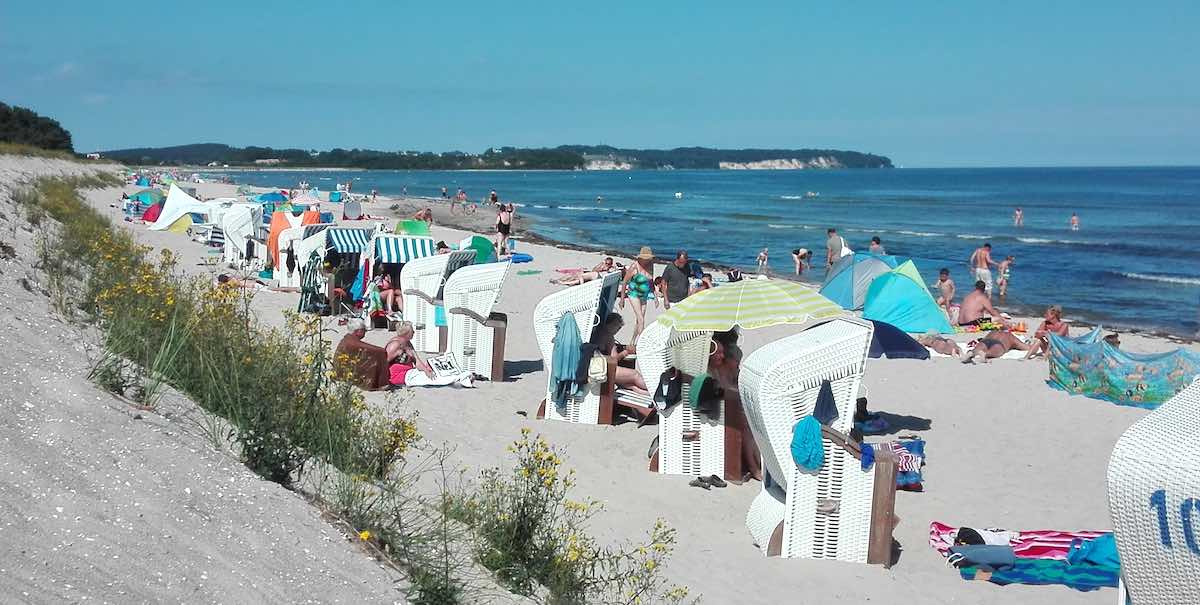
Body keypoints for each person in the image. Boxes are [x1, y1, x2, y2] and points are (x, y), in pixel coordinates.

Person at [707, 332, 762, 482]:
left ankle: (758, 463)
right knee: (747, 426)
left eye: (722, 353)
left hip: (726, 407)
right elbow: (722, 392)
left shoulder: (723, 369)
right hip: (716, 412)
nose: (721, 356)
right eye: (718, 353)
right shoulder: (711, 371)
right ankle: (754, 466)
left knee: (752, 423)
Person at [385, 322, 475, 388]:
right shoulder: (394, 345)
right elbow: (383, 362)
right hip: (399, 376)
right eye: (412, 331)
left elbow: (417, 362)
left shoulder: (407, 343)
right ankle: (462, 377)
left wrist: (426, 370)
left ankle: (463, 376)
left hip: (409, 372)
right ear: (407, 333)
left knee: (433, 372)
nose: (414, 333)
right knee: (433, 378)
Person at [596, 314, 648, 395]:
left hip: (597, 368)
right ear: (612, 324)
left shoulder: (598, 331)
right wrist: (624, 353)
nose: (618, 330)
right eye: (618, 327)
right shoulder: (609, 336)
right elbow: (614, 360)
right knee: (635, 375)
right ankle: (655, 389)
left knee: (632, 385)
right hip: (605, 370)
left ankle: (653, 395)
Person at [334, 318, 390, 390]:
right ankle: (379, 384)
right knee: (379, 354)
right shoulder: (352, 343)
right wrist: (382, 352)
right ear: (358, 331)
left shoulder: (348, 339)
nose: (365, 332)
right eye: (364, 330)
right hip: (345, 372)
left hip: (342, 370)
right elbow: (375, 350)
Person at [620, 247, 657, 344]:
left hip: (644, 294)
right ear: (641, 258)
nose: (648, 260)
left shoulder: (650, 265)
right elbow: (624, 282)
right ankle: (642, 343)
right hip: (634, 294)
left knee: (639, 320)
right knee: (641, 318)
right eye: (646, 258)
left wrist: (655, 295)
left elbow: (651, 281)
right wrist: (622, 299)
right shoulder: (634, 267)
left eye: (649, 258)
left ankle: (632, 341)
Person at [962, 330, 1030, 364]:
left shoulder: (993, 332)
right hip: (998, 344)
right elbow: (1026, 348)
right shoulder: (1010, 336)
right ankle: (985, 354)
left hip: (986, 340)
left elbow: (982, 339)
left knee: (977, 349)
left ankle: (972, 353)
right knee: (993, 352)